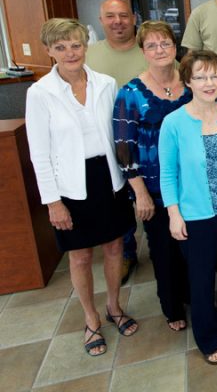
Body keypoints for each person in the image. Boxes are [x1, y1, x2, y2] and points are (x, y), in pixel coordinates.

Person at [26, 18, 139, 357]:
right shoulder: (40, 93)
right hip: (71, 186)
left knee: (115, 248)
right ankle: (91, 319)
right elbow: (39, 153)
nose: (70, 52)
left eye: (75, 45)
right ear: (49, 51)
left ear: (85, 46)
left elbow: (119, 136)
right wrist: (52, 202)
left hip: (109, 177)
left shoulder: (107, 83)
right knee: (79, 256)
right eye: (61, 47)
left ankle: (114, 307)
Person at [159, 50, 217, 365]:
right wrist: (173, 213)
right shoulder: (173, 123)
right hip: (195, 218)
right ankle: (208, 338)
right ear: (188, 81)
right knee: (201, 280)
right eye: (200, 76)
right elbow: (167, 173)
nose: (209, 83)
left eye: (214, 76)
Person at [113, 21, 192, 332]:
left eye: (166, 44)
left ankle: (192, 295)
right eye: (152, 45)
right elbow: (123, 149)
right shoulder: (130, 93)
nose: (160, 50)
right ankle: (172, 306)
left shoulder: (189, 83)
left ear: (175, 47)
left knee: (191, 247)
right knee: (164, 250)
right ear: (142, 51)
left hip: (191, 186)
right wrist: (140, 193)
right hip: (154, 188)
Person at [85, 0, 146, 283]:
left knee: (149, 197)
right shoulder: (88, 55)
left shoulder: (149, 49)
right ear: (101, 20)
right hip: (106, 143)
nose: (117, 21)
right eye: (110, 16)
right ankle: (126, 254)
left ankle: (162, 248)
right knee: (118, 203)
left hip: (146, 142)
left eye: (123, 15)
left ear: (134, 18)